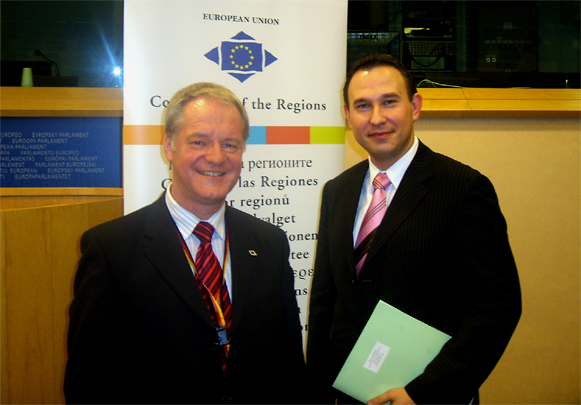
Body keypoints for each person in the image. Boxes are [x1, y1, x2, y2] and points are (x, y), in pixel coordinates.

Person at [64, 82, 306, 404]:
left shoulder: (269, 244)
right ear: (169, 146)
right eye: (199, 141)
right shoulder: (111, 250)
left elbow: (289, 366)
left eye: (230, 144)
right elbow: (88, 384)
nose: (217, 157)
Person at [306, 54, 522, 405]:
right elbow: (324, 301)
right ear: (347, 116)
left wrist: (423, 392)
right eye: (362, 106)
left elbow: (497, 306)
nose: (376, 118)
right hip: (350, 392)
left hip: (427, 394)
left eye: (389, 102)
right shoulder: (338, 191)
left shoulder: (462, 188)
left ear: (415, 106)